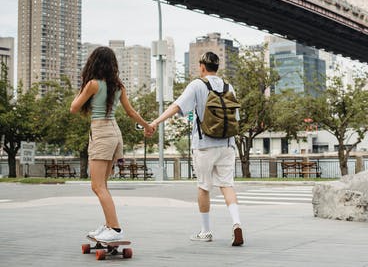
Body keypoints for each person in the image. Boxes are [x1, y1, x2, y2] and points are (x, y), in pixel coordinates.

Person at [148, 51, 244, 246]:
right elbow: (237, 119)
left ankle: (206, 231)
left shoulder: (197, 85)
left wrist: (155, 122)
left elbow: (176, 106)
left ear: (202, 66)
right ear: (217, 67)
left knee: (203, 187)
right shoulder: (228, 86)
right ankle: (236, 223)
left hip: (204, 146)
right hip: (227, 144)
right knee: (227, 185)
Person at [70, 46, 153, 242]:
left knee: (97, 186)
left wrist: (83, 88)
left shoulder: (93, 84)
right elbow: (131, 112)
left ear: (94, 63)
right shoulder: (118, 86)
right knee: (103, 185)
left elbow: (73, 107)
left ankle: (115, 229)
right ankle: (108, 225)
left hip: (101, 133)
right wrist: (147, 126)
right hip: (115, 132)